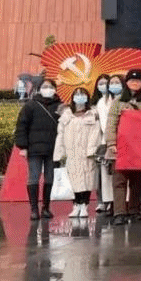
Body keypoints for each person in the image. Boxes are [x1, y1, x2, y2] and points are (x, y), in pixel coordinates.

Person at [105, 69, 141, 225]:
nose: (134, 83)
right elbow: (111, 123)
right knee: (119, 180)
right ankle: (119, 213)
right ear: (126, 82)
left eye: (138, 81)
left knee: (137, 181)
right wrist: (111, 143)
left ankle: (134, 210)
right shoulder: (118, 101)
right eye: (131, 80)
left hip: (139, 147)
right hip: (120, 146)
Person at [14, 79, 64, 221]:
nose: (47, 89)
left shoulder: (60, 106)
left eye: (50, 86)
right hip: (34, 149)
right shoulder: (31, 105)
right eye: (44, 86)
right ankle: (34, 209)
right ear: (39, 89)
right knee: (33, 178)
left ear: (55, 89)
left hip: (53, 148)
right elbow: (21, 126)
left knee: (50, 178)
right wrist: (23, 146)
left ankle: (46, 208)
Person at [53, 87, 101, 218]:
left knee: (87, 180)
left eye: (82, 94)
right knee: (73, 181)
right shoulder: (66, 115)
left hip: (87, 154)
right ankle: (76, 205)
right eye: (77, 94)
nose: (80, 97)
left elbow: (96, 133)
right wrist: (59, 154)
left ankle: (84, 205)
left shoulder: (92, 114)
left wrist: (91, 150)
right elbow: (60, 135)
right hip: (71, 154)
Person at [91, 74, 116, 215]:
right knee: (105, 175)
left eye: (107, 83)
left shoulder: (118, 100)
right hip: (103, 142)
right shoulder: (100, 101)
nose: (104, 86)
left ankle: (118, 202)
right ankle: (107, 202)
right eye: (100, 84)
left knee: (116, 175)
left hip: (116, 139)